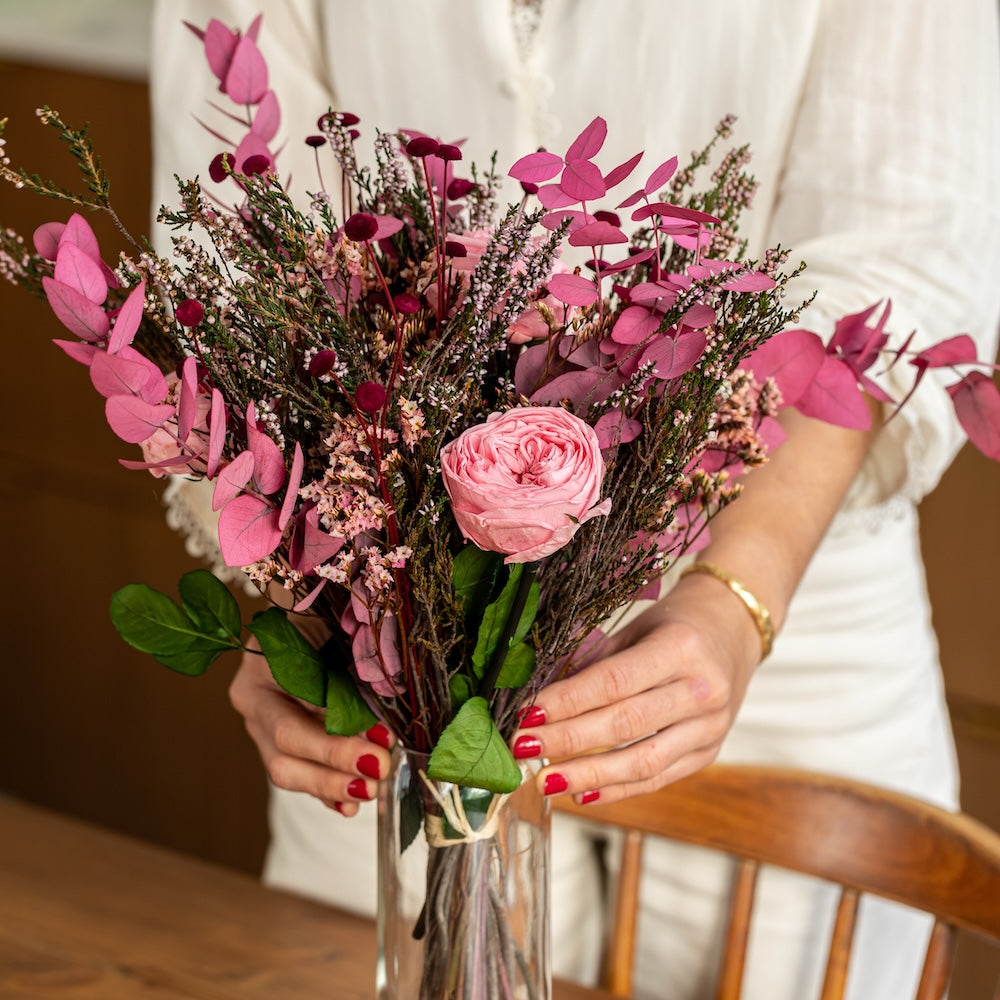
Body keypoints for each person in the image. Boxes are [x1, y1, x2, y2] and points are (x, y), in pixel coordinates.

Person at [149, 2, 1000, 996]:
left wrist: (736, 601)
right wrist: (302, 593)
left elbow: (895, 256)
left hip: (771, 610)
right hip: (396, 623)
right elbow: (231, 262)